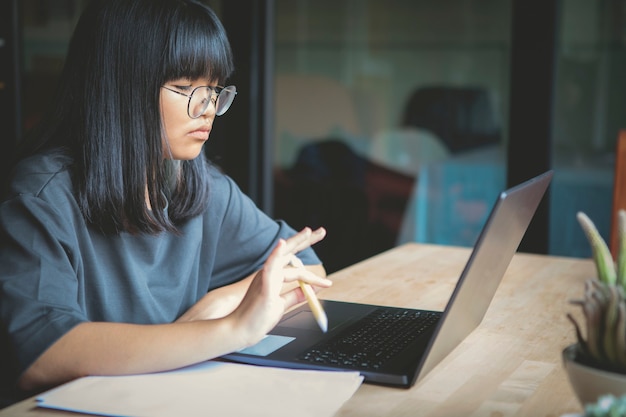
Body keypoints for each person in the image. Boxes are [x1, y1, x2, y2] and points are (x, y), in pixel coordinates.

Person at [0, 0, 329, 405]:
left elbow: (304, 267)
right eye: (186, 87)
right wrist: (232, 329)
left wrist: (218, 303)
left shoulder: (200, 184)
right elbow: (42, 353)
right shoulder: (42, 193)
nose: (208, 108)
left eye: (213, 89)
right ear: (120, 85)